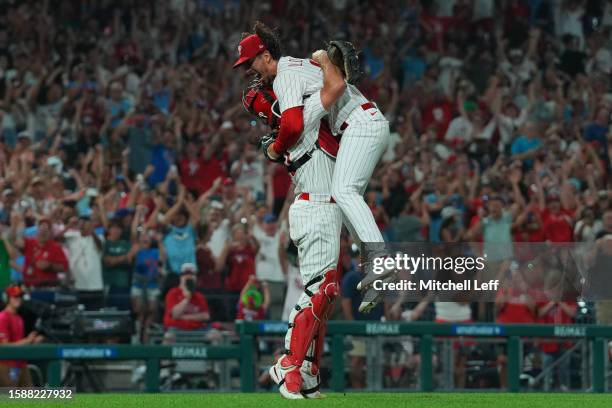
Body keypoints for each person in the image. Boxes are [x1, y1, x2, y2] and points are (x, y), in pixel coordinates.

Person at [233, 22, 391, 313]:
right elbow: (307, 113)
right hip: (361, 123)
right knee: (345, 203)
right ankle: (374, 271)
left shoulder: (285, 76)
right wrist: (321, 57)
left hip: (360, 124)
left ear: (266, 56)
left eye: (251, 61)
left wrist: (275, 148)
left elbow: (293, 123)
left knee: (343, 192)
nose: (249, 70)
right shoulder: (297, 68)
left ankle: (380, 262)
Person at [242, 49, 346, 398]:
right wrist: (323, 62)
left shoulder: (286, 128)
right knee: (322, 290)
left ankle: (310, 371)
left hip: (321, 206)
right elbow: (334, 89)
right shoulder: (302, 117)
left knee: (327, 295)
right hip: (314, 206)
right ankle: (289, 363)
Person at [0, 285, 43, 387]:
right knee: (9, 398)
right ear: (7, 299)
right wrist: (28, 340)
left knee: (29, 397)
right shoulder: (3, 317)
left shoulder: (19, 318)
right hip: (6, 365)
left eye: (19, 297)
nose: (18, 300)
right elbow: (3, 347)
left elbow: (20, 342)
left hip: (21, 364)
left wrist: (33, 341)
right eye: (14, 297)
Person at [163, 263, 210, 331]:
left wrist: (184, 317)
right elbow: (175, 315)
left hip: (197, 329)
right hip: (176, 328)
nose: (188, 277)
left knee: (215, 335)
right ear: (181, 277)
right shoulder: (173, 293)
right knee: (169, 336)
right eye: (185, 274)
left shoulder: (199, 296)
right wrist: (186, 299)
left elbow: (206, 316)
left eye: (192, 274)